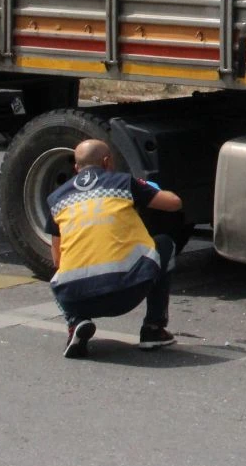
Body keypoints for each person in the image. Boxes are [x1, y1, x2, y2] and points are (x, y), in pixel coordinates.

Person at [46, 139, 183, 358]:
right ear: (107, 161)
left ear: (76, 167)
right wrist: (148, 188)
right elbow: (174, 203)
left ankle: (76, 322)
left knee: (60, 274)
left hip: (78, 299)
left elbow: (57, 260)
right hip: (127, 292)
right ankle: (153, 329)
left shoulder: (56, 199)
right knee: (164, 243)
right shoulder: (124, 183)